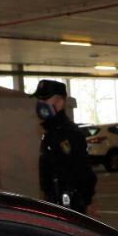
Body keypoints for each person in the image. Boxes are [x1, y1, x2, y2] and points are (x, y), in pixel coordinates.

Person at [33, 79, 97, 215]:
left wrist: (86, 202)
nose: (40, 104)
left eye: (45, 99)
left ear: (60, 102)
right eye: (39, 99)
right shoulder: (51, 133)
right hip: (55, 203)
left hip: (69, 205)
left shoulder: (69, 133)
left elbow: (84, 171)